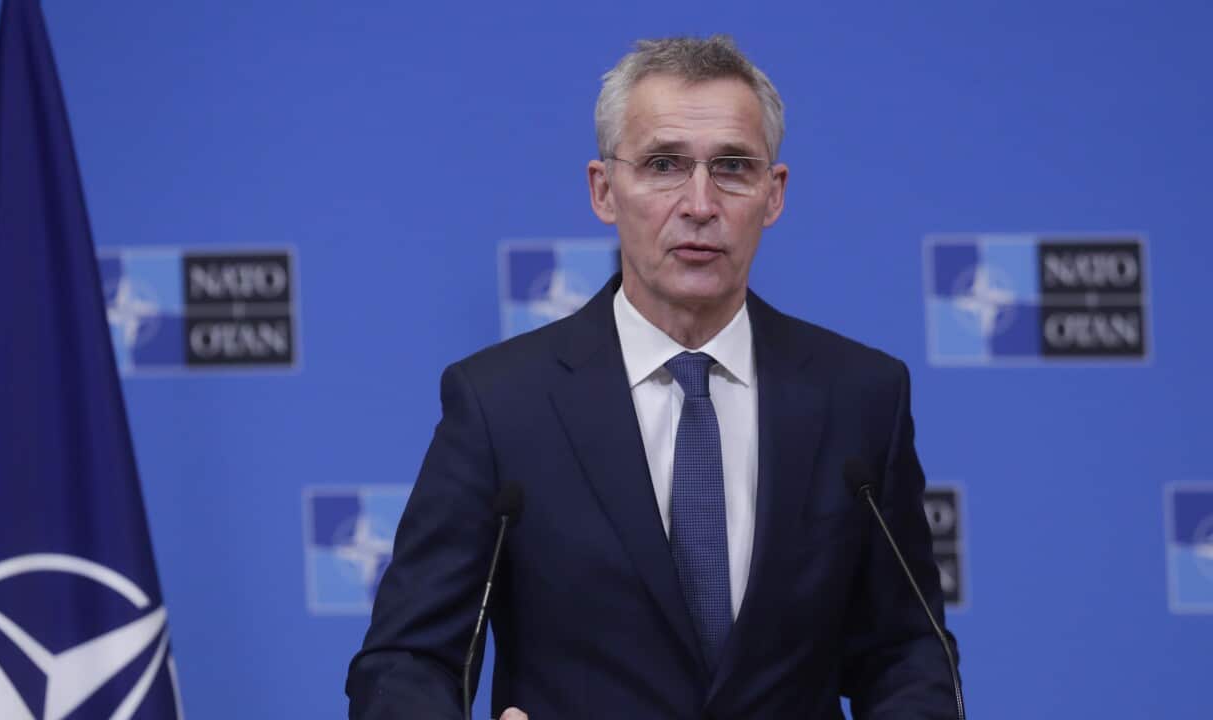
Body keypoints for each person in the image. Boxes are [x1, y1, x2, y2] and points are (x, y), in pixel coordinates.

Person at [346, 35, 959, 719]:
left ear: (774, 193)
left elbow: (907, 652)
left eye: (732, 167)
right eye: (664, 165)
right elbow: (406, 662)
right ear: (604, 190)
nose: (700, 203)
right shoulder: (501, 405)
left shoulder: (860, 396)